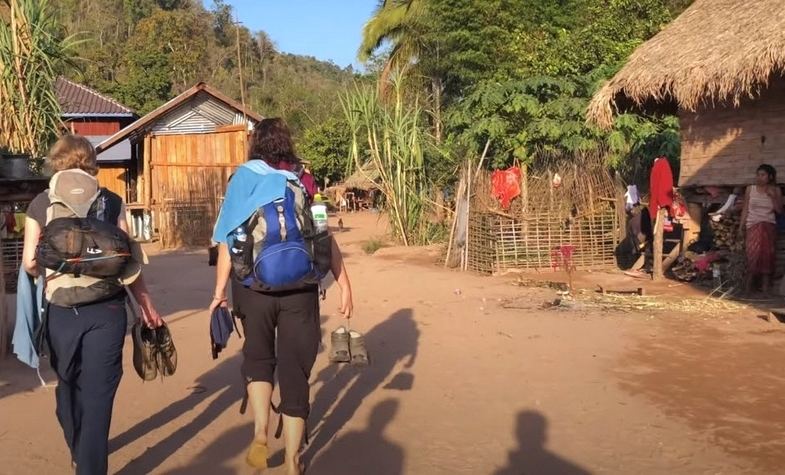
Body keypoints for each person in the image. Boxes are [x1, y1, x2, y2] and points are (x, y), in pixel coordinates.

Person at [209, 118, 354, 475]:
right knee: (295, 371)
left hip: (252, 288)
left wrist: (219, 294)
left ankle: (260, 432)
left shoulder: (243, 177)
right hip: (301, 288)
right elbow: (323, 234)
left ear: (255, 144)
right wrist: (345, 281)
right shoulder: (303, 178)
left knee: (258, 358)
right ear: (287, 143)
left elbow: (228, 240)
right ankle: (292, 459)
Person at [22, 134, 164, 474]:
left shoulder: (41, 203)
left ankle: (79, 449)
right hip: (108, 308)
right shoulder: (113, 201)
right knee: (98, 395)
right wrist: (147, 305)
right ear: (90, 162)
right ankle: (90, 464)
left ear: (56, 161)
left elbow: (29, 262)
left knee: (67, 386)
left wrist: (58, 266)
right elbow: (128, 263)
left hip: (61, 311)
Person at [739, 164, 783, 295]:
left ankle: (765, 289)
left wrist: (773, 197)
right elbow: (745, 209)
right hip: (752, 225)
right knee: (752, 255)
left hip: (768, 225)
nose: (759, 177)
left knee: (767, 255)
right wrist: (741, 227)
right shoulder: (750, 189)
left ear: (770, 177)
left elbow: (779, 211)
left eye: (762, 175)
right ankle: (747, 287)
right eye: (758, 175)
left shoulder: (775, 190)